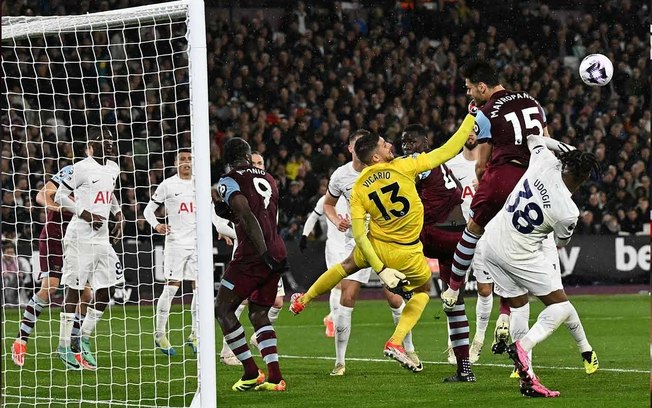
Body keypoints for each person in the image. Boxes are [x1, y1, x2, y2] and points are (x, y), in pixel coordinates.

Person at [290, 113, 476, 373]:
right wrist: (470, 117)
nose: (391, 145)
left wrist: (380, 267)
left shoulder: (358, 189)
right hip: (406, 251)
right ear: (376, 156)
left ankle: (304, 299)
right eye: (384, 144)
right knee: (422, 291)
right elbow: (448, 149)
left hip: (376, 246)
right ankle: (396, 342)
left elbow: (358, 235)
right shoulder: (405, 166)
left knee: (344, 267)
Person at [483, 135, 600, 397]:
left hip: (490, 242)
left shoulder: (544, 161)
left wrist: (570, 150)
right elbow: (562, 240)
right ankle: (523, 346)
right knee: (560, 306)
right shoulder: (568, 210)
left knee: (519, 307)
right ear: (582, 180)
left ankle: (528, 380)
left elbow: (534, 138)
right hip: (518, 252)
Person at [444, 59, 560, 311]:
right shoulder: (533, 101)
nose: (468, 93)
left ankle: (453, 288)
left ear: (482, 87)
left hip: (506, 173)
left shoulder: (485, 114)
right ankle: (522, 303)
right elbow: (548, 142)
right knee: (523, 238)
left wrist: (485, 182)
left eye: (469, 88)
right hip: (537, 177)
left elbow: (481, 163)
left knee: (474, 229)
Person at [304, 129, 420, 376]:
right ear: (351, 149)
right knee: (347, 296)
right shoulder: (341, 176)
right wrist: (336, 221)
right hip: (356, 243)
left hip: (385, 241)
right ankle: (340, 361)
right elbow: (327, 204)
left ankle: (408, 347)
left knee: (394, 296)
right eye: (356, 144)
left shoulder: (386, 169)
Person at [400, 124, 474, 382]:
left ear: (426, 142)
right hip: (458, 236)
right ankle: (465, 368)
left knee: (387, 239)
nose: (407, 147)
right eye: (403, 142)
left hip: (436, 233)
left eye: (411, 142)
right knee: (454, 303)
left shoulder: (419, 164)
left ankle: (401, 283)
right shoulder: (441, 164)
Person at [215, 138, 288, 392]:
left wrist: (262, 252)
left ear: (228, 160)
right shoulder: (269, 178)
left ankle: (250, 371)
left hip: (253, 253)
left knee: (223, 309)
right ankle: (275, 377)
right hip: (277, 247)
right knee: (258, 313)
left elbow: (247, 214)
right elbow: (263, 211)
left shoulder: (229, 179)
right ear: (248, 155)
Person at [54, 126, 124, 370]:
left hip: (102, 239)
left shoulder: (113, 167)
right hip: (79, 237)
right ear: (92, 145)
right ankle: (63, 346)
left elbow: (110, 193)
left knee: (108, 288)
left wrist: (118, 214)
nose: (110, 144)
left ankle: (81, 338)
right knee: (74, 289)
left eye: (112, 140)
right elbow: (59, 196)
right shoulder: (81, 168)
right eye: (104, 140)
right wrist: (85, 214)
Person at [11, 164, 93, 367]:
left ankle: (74, 347)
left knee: (87, 294)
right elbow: (42, 195)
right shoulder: (72, 171)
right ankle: (20, 340)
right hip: (55, 237)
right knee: (49, 288)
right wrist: (61, 207)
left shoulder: (103, 176)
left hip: (79, 241)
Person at [446, 132, 511, 364]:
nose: (472, 134)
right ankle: (454, 343)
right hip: (458, 233)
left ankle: (479, 340)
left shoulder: (492, 164)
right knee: (454, 290)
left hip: (486, 234)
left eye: (476, 129)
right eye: (468, 129)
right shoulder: (450, 165)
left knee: (485, 290)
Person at [144, 149, 200, 356]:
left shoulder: (200, 183)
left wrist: (222, 231)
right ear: (176, 163)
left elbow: (210, 212)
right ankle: (159, 335)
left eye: (189, 159)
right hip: (176, 243)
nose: (186, 163)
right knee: (172, 289)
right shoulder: (167, 185)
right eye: (182, 160)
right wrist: (157, 225)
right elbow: (148, 210)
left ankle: (195, 334)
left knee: (199, 290)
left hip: (197, 244)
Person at [299, 193, 348, 339]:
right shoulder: (326, 199)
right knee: (337, 285)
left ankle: (331, 317)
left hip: (351, 246)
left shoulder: (355, 195)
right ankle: (335, 323)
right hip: (334, 246)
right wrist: (304, 235)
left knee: (348, 288)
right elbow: (314, 216)